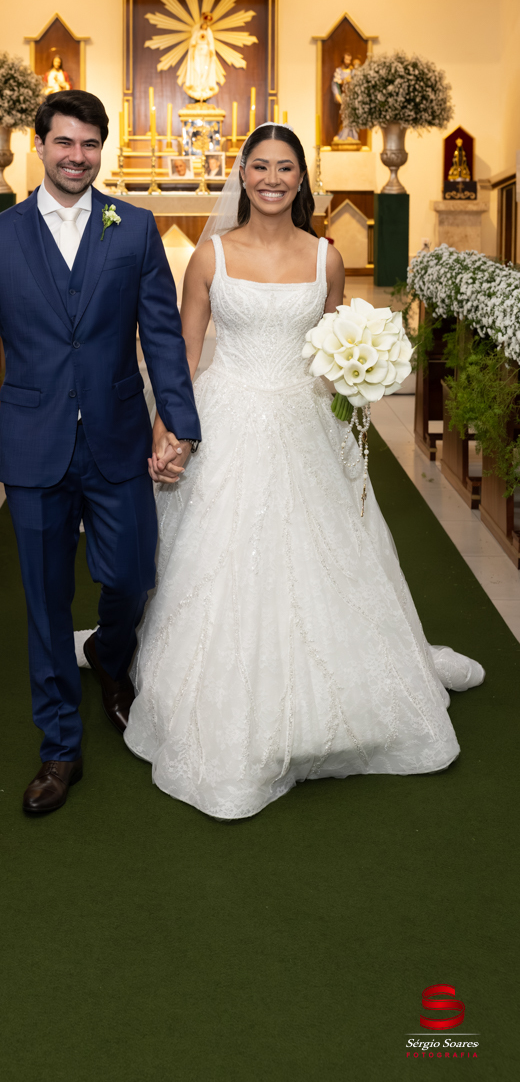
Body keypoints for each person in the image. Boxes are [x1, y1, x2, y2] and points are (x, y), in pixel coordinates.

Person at [123, 122, 484, 821]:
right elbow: (184, 351)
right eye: (259, 166)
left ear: (300, 179)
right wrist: (168, 428)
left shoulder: (327, 256)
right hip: (227, 412)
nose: (271, 179)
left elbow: (332, 344)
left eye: (285, 168)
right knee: (221, 556)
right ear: (243, 175)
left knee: (322, 553)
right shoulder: (210, 256)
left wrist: (358, 381)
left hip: (303, 416)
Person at [0, 89, 200, 815]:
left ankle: (111, 655)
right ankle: (60, 745)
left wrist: (179, 424)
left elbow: (162, 335)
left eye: (90, 144)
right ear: (41, 145)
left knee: (133, 575)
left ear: (101, 150)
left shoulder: (134, 228)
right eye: (64, 142)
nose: (77, 157)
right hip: (34, 447)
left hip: (118, 438)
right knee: (46, 600)